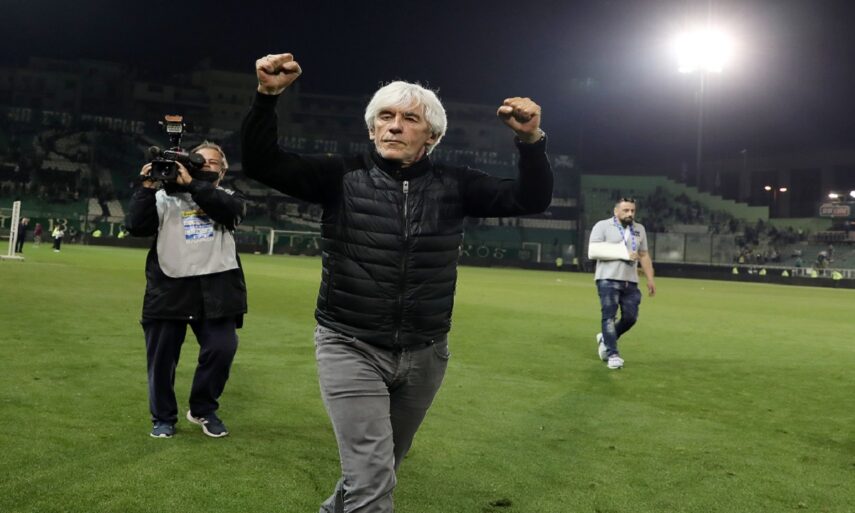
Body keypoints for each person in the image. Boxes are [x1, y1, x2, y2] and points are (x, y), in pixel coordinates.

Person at [241, 52, 553, 513]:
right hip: (350, 344)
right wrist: (267, 97)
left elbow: (531, 199)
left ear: (432, 136)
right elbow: (261, 163)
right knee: (372, 477)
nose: (394, 126)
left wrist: (530, 141)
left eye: (409, 119)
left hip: (426, 352)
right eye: (385, 117)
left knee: (381, 465)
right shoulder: (339, 176)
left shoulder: (456, 184)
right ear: (371, 129)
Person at [125, 142, 247, 439]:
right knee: (162, 360)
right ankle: (163, 417)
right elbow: (136, 227)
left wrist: (193, 184)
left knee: (222, 349)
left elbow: (228, 212)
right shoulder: (163, 198)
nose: (206, 165)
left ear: (223, 171)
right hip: (169, 288)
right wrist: (146, 188)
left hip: (217, 290)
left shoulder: (230, 197)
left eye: (213, 162)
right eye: (199, 160)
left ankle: (203, 409)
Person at [587, 197, 656, 370]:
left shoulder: (639, 229)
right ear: (616, 211)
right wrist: (623, 253)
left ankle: (605, 338)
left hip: (630, 281)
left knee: (631, 318)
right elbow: (593, 251)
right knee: (609, 317)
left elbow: (644, 255)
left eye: (632, 210)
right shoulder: (602, 226)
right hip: (607, 279)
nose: (630, 213)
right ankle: (613, 355)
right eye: (626, 210)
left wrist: (650, 278)